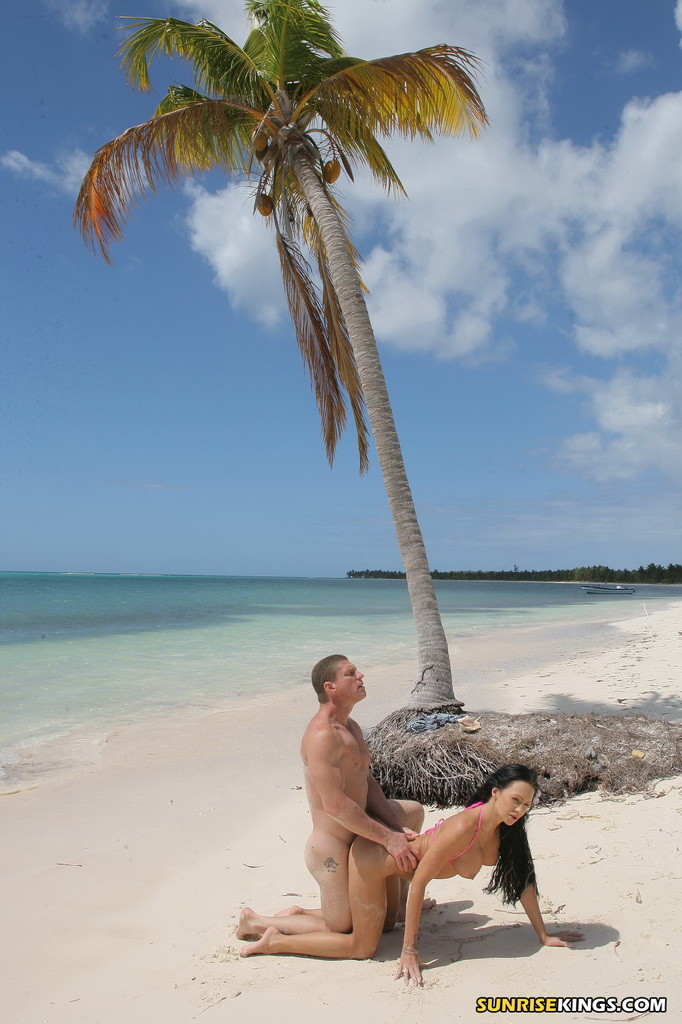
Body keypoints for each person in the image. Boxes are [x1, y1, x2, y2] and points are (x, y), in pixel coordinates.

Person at [239, 764, 584, 985]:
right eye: (514, 800)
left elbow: (522, 880)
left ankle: (279, 917)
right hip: (373, 862)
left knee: (381, 924)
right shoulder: (464, 827)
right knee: (361, 946)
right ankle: (273, 940)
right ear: (496, 793)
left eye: (526, 805)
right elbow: (419, 883)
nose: (519, 810)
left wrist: (543, 934)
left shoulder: (507, 830)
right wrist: (409, 950)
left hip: (397, 868)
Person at [238, 655, 424, 939]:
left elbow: (366, 780)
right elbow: (335, 806)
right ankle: (256, 923)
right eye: (351, 673)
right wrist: (388, 838)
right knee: (342, 926)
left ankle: (399, 904)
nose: (361, 675)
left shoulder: (351, 727)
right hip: (332, 846)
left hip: (360, 831)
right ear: (330, 687)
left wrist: (395, 826)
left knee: (412, 812)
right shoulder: (322, 736)